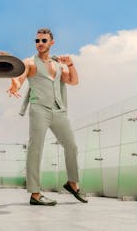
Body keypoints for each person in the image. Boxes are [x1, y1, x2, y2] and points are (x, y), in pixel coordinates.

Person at [7, 28, 88, 206]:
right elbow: (20, 79)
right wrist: (15, 84)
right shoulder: (29, 62)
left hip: (58, 110)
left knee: (71, 146)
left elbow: (74, 81)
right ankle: (35, 194)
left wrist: (71, 64)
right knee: (35, 149)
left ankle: (72, 183)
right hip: (39, 109)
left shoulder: (58, 64)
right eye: (37, 41)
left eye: (44, 41)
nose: (40, 44)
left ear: (51, 42)